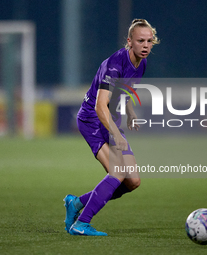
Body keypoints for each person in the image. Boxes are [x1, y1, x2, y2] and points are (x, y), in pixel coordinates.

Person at [64, 19, 160, 236]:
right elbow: (100, 106)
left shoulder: (141, 63)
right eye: (140, 41)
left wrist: (131, 112)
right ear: (129, 42)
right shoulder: (114, 65)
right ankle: (81, 224)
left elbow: (124, 92)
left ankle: (76, 203)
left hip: (110, 120)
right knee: (118, 172)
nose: (145, 45)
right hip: (93, 120)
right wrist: (117, 135)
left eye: (149, 41)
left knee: (132, 181)